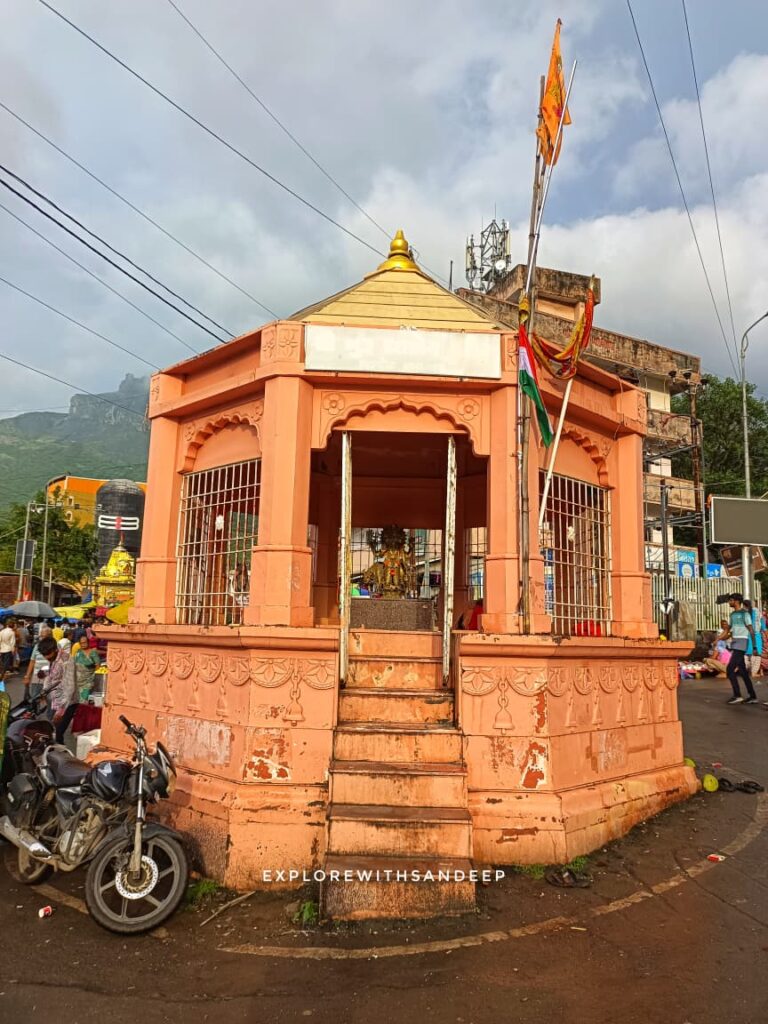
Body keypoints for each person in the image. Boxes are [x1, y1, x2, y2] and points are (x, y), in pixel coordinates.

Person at [37, 636, 78, 744]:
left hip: (68, 703)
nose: (47, 658)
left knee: (58, 733)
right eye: (44, 655)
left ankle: (61, 753)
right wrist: (45, 677)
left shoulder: (67, 660)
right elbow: (54, 676)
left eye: (48, 655)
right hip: (55, 699)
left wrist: (61, 710)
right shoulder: (53, 659)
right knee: (53, 732)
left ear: (55, 649)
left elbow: (70, 686)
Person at [724, 593, 757, 705]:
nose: (729, 602)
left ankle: (737, 695)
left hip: (742, 642)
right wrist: (718, 639)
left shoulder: (745, 614)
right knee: (742, 671)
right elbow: (727, 630)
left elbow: (751, 631)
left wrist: (754, 646)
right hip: (735, 642)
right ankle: (753, 696)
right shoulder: (732, 614)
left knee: (730, 669)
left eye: (731, 600)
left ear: (737, 601)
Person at [0, 616, 17, 687]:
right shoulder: (12, 632)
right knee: (5, 665)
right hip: (8, 650)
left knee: (2, 664)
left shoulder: (2, 631)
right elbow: (13, 643)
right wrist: (13, 651)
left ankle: (2, 676)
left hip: (2, 649)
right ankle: (2, 677)